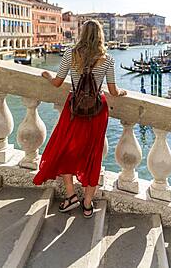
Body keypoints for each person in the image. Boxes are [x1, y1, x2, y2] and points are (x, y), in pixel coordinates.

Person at [33, 20, 127, 218]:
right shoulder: (107, 59)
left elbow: (58, 83)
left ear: (82, 33)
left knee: (66, 149)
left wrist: (46, 75)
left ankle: (71, 195)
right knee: (93, 154)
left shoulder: (70, 53)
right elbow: (112, 90)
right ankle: (87, 203)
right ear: (100, 35)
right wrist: (122, 92)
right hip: (97, 111)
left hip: (74, 108)